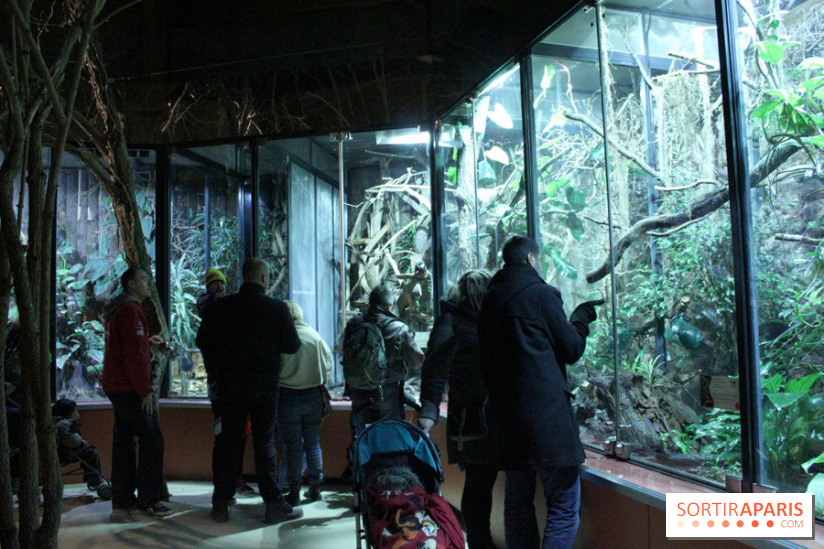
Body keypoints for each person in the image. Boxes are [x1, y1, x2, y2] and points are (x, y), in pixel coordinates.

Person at [478, 235, 602, 549]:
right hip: (548, 423)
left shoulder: (489, 300)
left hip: (508, 421)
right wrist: (581, 318)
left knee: (517, 503)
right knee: (562, 503)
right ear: (532, 259)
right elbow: (571, 349)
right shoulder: (542, 295)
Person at [196, 257, 303, 524]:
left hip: (230, 387)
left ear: (243, 277)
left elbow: (202, 341)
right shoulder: (276, 309)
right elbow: (292, 346)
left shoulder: (222, 307)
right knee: (264, 443)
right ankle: (273, 505)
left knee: (229, 443)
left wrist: (219, 368)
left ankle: (220, 503)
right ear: (264, 278)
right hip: (264, 387)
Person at [418, 269, 499, 549]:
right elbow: (434, 368)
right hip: (471, 420)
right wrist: (428, 412)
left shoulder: (482, 320)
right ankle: (480, 542)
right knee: (478, 485)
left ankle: (481, 541)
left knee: (482, 483)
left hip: (487, 416)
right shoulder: (452, 321)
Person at [102, 268, 173, 518]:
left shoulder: (118, 309)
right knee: (152, 438)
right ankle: (149, 500)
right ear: (131, 284)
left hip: (115, 386)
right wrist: (146, 391)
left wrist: (147, 340)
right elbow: (135, 356)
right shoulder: (132, 311)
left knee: (123, 440)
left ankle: (122, 497)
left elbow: (130, 346)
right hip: (129, 388)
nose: (149, 282)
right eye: (144, 279)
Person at [197, 267, 257, 496]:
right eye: (216, 284)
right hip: (222, 387)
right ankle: (225, 483)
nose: (220, 287)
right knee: (225, 436)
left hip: (229, 386)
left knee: (234, 434)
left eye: (222, 284)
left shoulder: (223, 311)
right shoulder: (211, 308)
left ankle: (231, 480)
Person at [343, 283, 424, 434]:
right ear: (389, 305)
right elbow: (417, 361)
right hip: (387, 395)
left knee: (362, 439)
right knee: (388, 439)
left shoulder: (354, 324)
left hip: (359, 392)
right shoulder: (398, 328)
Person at [278, 300, 334, 506]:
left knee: (292, 447)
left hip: (288, 397)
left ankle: (293, 491)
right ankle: (315, 488)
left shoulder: (283, 338)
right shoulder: (314, 336)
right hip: (313, 397)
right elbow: (327, 365)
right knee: (313, 443)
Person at [52, 398, 107, 493]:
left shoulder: (55, 421)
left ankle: (93, 478)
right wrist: (84, 443)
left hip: (61, 451)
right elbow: (74, 441)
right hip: (67, 453)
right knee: (91, 453)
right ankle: (95, 480)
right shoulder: (65, 424)